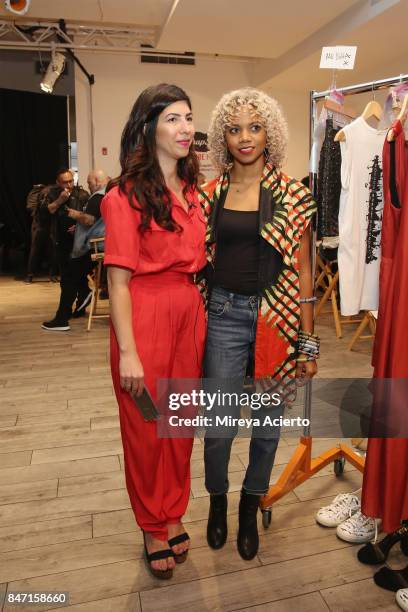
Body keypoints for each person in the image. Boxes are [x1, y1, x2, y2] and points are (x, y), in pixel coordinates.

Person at [198, 88, 318, 561]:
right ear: (222, 137)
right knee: (219, 427)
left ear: (270, 133)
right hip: (224, 316)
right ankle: (217, 502)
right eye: (234, 128)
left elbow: (305, 272)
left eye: (254, 126)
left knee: (268, 427)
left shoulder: (293, 194)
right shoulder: (211, 193)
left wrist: (307, 343)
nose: (245, 137)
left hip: (279, 318)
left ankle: (251, 505)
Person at [101, 84, 206, 579]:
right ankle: (151, 524)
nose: (185, 128)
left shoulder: (195, 192)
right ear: (149, 127)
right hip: (142, 317)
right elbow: (116, 282)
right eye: (172, 119)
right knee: (146, 427)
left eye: (188, 118)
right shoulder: (122, 197)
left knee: (180, 425)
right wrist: (128, 353)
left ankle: (174, 509)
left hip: (188, 313)